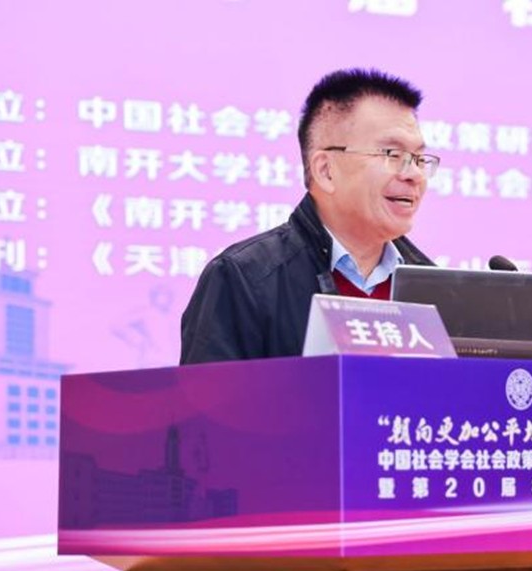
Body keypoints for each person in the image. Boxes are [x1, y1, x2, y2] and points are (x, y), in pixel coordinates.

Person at [179, 68, 440, 364]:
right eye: (392, 154)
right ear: (326, 170)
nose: (414, 174)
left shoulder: (434, 290)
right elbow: (209, 394)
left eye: (419, 158)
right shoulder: (244, 279)